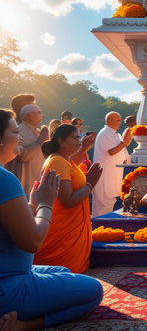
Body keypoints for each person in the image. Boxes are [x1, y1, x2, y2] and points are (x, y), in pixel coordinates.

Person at [0, 109, 103, 329]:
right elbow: (33, 242)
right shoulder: (4, 179)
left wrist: (33, 204)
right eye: (15, 131)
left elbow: (10, 224)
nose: (19, 138)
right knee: (94, 290)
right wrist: (46, 203)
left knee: (63, 272)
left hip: (12, 274)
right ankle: (23, 325)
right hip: (10, 285)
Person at [34, 125, 103, 273]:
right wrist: (90, 184)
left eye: (80, 136)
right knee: (63, 275)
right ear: (61, 141)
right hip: (62, 233)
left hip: (69, 231)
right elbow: (67, 200)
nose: (80, 140)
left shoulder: (64, 161)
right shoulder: (58, 162)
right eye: (75, 137)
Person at [91, 112, 132, 217]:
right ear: (109, 120)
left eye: (120, 120)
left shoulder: (116, 134)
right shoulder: (105, 133)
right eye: (117, 120)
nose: (119, 123)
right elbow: (111, 152)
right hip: (104, 178)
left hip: (113, 179)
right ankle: (97, 232)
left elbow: (124, 156)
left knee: (110, 210)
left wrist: (125, 142)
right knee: (103, 210)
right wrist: (124, 142)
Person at [6, 104, 49, 199]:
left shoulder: (37, 131)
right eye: (39, 112)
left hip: (38, 178)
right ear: (30, 115)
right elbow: (22, 156)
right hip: (25, 180)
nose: (41, 114)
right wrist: (40, 141)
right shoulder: (19, 131)